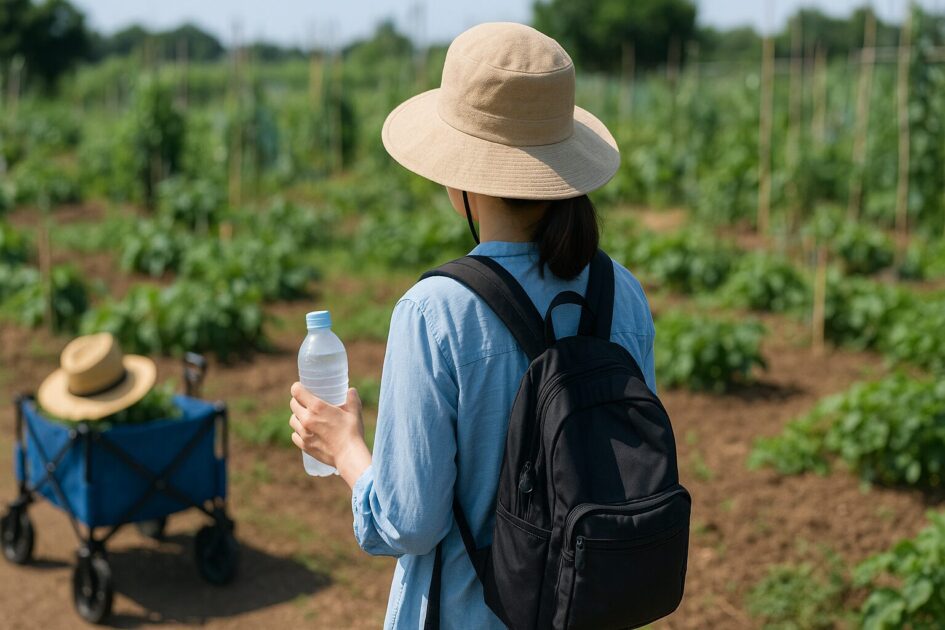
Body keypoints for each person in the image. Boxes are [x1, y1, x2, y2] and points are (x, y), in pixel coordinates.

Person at [289, 22, 656, 629]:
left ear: (461, 183)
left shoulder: (436, 312)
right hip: (592, 610)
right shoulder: (624, 296)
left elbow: (410, 521)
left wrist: (347, 450)